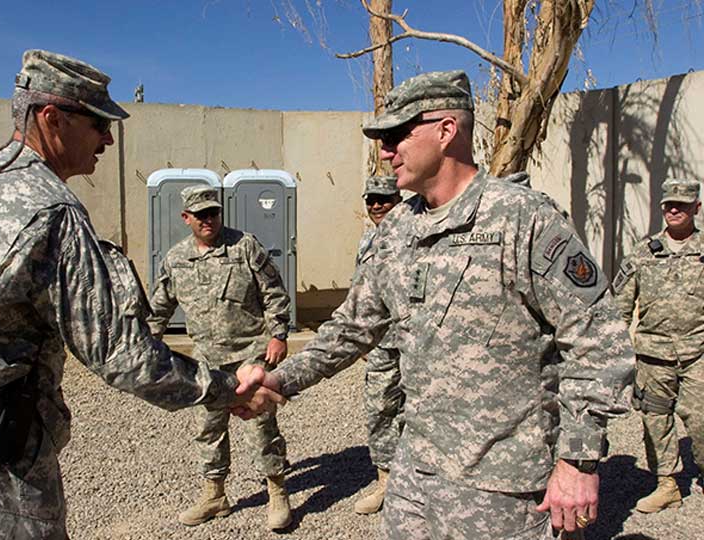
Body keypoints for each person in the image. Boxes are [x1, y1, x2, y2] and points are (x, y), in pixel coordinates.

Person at [236, 70, 635, 540]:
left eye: (397, 134)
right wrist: (281, 378)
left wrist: (578, 460)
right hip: (415, 474)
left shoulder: (521, 218)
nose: (385, 150)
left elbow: (599, 338)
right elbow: (353, 327)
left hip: (504, 487)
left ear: (447, 131)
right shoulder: (397, 228)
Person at [0, 50, 278, 540]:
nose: (108, 137)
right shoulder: (51, 211)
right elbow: (121, 354)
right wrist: (227, 388)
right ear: (51, 118)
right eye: (98, 122)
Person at [147, 185, 292, 530]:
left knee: (261, 426)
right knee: (208, 429)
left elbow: (273, 291)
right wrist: (146, 343)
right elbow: (159, 306)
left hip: (249, 353)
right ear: (186, 218)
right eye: (200, 215)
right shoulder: (176, 259)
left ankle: (277, 492)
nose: (208, 220)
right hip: (206, 361)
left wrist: (279, 333)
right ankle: (215, 496)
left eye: (212, 213)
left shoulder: (244, 246)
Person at [613, 177, 704, 513]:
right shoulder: (643, 252)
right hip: (652, 356)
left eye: (682, 204)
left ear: (697, 207)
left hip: (698, 353)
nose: (674, 209)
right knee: (655, 421)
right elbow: (620, 304)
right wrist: (615, 350)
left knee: (701, 420)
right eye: (669, 204)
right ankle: (667, 484)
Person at [353, 175, 405, 515]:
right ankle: (386, 482)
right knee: (381, 411)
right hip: (382, 343)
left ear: (397, 200)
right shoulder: (367, 241)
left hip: (418, 342)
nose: (376, 205)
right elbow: (359, 291)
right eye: (370, 200)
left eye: (383, 199)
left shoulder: (417, 234)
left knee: (423, 412)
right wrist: (361, 338)